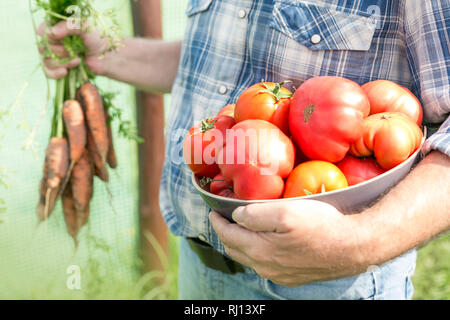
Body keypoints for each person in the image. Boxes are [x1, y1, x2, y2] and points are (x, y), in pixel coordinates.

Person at [37, 0, 449, 300]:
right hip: (200, 268)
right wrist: (106, 52)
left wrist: (356, 243)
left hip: (327, 285)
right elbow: (216, 62)